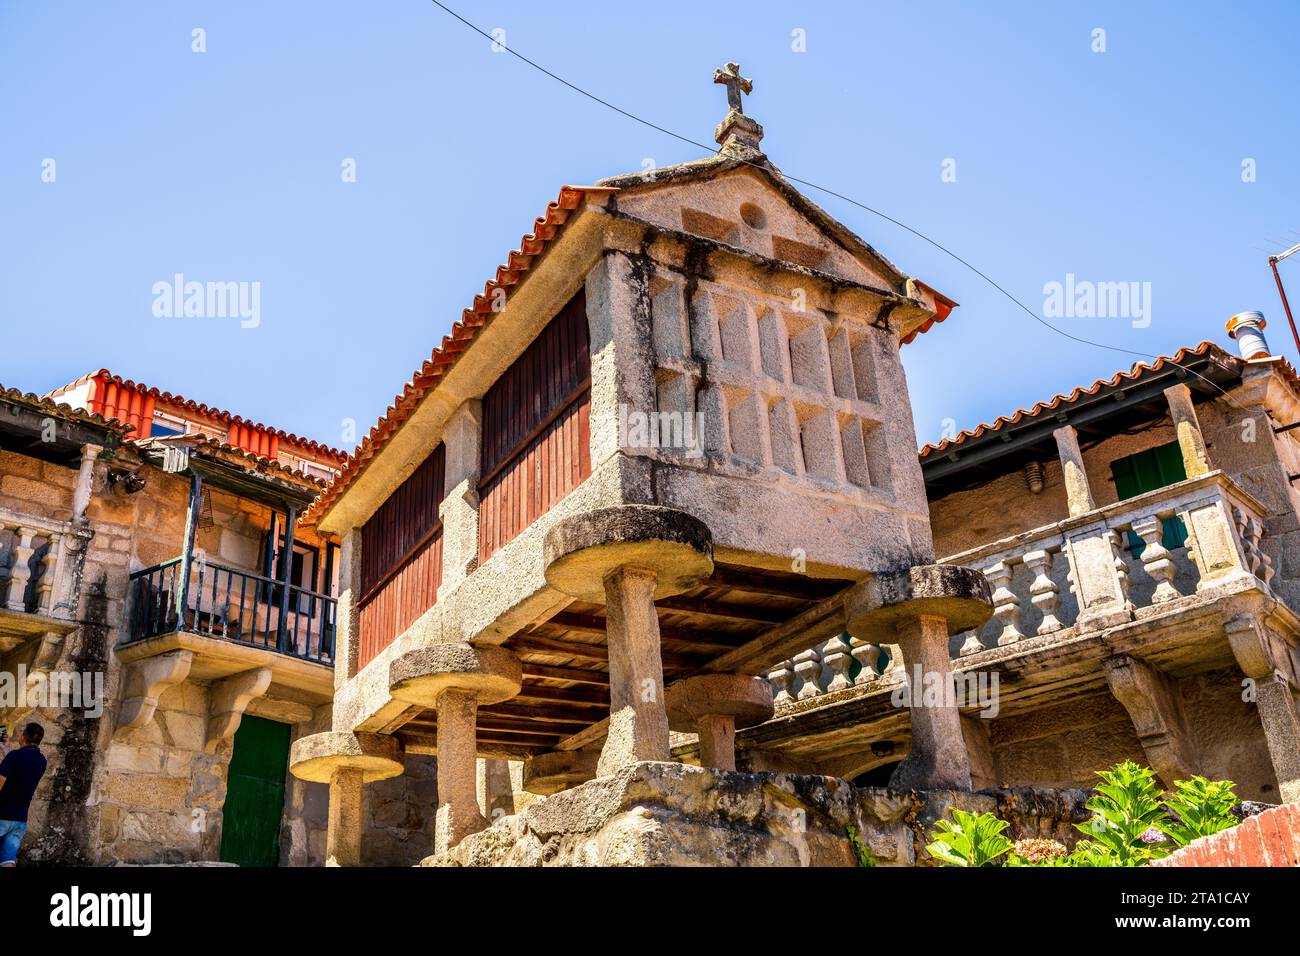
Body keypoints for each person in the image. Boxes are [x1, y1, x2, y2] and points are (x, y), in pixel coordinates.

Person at [0, 723, 48, 867]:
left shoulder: (15, 756)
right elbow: (20, 767)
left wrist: (8, 752)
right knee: (7, 859)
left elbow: (1, 781)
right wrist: (5, 749)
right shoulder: (42, 761)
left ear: (22, 738)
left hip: (2, 814)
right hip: (20, 820)